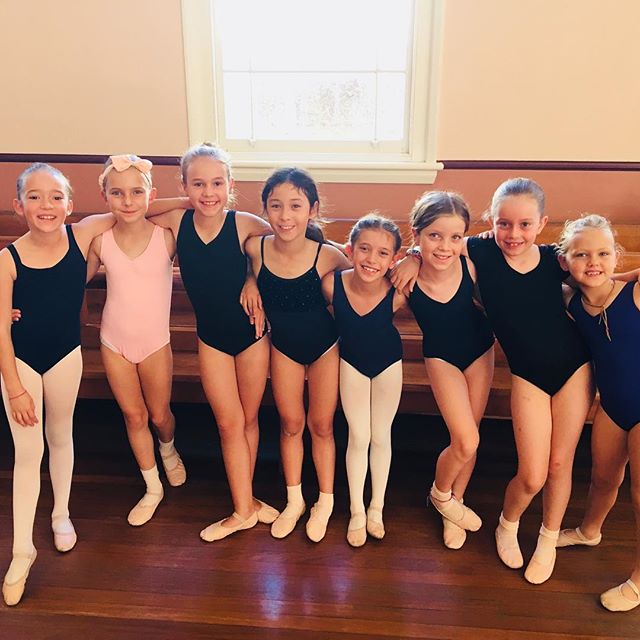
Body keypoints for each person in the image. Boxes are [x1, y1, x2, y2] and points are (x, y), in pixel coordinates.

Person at [391, 178, 593, 583]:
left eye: (524, 225)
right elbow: (440, 239)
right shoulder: (479, 250)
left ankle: (548, 538)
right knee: (517, 465)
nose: (513, 234)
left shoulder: (556, 259)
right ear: (491, 222)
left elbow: (600, 277)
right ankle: (490, 517)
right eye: (504, 224)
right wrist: (411, 254)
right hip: (523, 373)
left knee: (559, 464)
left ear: (542, 223)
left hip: (573, 368)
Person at [147, 143, 278, 541]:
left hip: (251, 334)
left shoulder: (245, 224)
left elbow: (283, 248)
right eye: (198, 184)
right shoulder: (176, 219)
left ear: (230, 184)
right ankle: (244, 507)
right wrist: (184, 197)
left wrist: (253, 279)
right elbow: (141, 208)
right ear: (184, 186)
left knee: (249, 420)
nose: (209, 193)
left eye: (218, 183)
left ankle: (245, 502)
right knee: (228, 423)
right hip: (212, 340)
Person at [0, 163, 115, 605]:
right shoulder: (8, 261)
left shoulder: (81, 236)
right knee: (28, 453)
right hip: (21, 364)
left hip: (66, 356)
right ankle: (21, 550)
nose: (45, 205)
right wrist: (14, 387)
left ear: (69, 203)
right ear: (18, 206)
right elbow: (1, 331)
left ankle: (61, 513)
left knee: (61, 436)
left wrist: (179, 196)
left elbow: (138, 208)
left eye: (55, 196)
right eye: (34, 196)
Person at [246, 167, 351, 542]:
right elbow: (242, 267)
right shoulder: (255, 248)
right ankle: (295, 499)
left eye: (295, 206)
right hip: (283, 348)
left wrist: (414, 256)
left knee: (321, 425)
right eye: (275, 206)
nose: (285, 216)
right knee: (291, 424)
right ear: (265, 209)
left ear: (312, 210)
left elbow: (366, 275)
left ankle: (325, 499)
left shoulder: (327, 256)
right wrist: (249, 280)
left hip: (325, 347)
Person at [87, 155, 186, 527]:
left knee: (160, 416)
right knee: (134, 415)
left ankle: (169, 448)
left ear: (151, 195)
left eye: (136, 193)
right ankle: (152, 486)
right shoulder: (100, 240)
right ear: (105, 196)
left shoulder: (167, 238)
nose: (127, 201)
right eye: (117, 193)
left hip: (156, 343)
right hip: (113, 342)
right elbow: (70, 283)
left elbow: (192, 208)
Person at [557, 214, 640, 611]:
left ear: (616, 257)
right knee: (603, 477)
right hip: (612, 405)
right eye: (582, 254)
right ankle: (589, 531)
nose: (593, 261)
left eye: (603, 253)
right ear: (566, 260)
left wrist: (625, 275)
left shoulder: (634, 293)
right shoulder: (571, 301)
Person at [407, 192, 494, 550]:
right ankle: (440, 495)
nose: (445, 246)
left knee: (469, 439)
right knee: (466, 439)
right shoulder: (406, 278)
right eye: (434, 236)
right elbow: (361, 275)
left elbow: (504, 241)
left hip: (480, 352)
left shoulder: (471, 263)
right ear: (417, 235)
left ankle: (454, 503)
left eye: (455, 237)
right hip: (441, 358)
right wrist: (409, 258)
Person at [322, 214, 405, 547]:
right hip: (350, 363)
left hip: (388, 364)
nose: (372, 259)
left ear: (394, 259)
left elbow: (437, 259)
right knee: (358, 435)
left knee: (380, 435)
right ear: (350, 250)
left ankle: (376, 508)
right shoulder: (331, 284)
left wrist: (413, 260)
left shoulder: (399, 290)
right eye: (365, 249)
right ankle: (356, 510)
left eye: (383, 253)